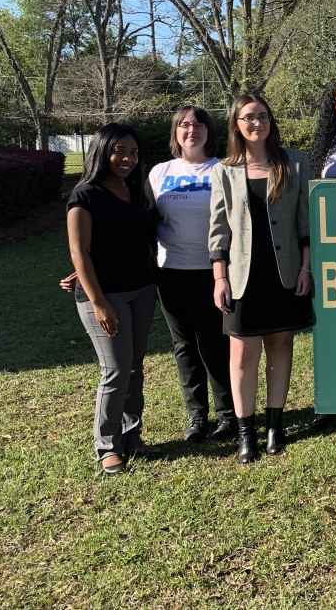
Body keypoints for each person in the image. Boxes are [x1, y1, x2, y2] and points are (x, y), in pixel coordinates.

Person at [209, 93, 313, 463]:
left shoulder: (296, 164)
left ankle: (275, 425)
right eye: (250, 118)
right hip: (242, 277)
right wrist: (219, 277)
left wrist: (306, 268)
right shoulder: (224, 170)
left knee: (280, 348)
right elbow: (218, 230)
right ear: (237, 124)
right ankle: (245, 432)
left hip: (284, 275)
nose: (258, 123)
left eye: (264, 116)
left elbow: (306, 224)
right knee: (242, 355)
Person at [66, 123, 157, 475]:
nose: (127, 159)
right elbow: (80, 252)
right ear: (102, 152)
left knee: (135, 367)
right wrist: (99, 302)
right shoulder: (84, 195)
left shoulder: (134, 189)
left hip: (141, 290)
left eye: (133, 153)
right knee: (116, 370)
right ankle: (107, 445)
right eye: (120, 151)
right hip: (103, 297)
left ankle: (131, 435)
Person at [147, 106, 236, 443]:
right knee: (184, 347)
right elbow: (147, 223)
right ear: (175, 132)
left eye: (198, 124)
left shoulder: (224, 169)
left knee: (216, 345)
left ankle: (227, 415)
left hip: (214, 273)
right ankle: (196, 418)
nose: (191, 130)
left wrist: (224, 272)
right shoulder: (159, 172)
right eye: (184, 124)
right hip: (171, 273)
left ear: (208, 132)